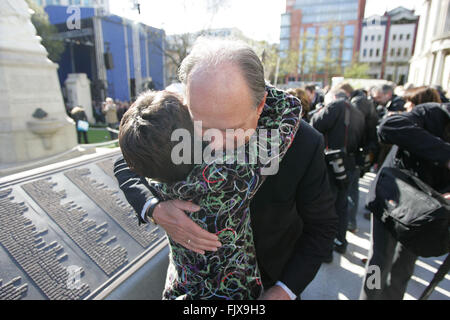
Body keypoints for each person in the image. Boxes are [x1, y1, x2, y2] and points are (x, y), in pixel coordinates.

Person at [114, 38, 338, 300]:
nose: (215, 142)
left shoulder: (303, 143)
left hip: (269, 284)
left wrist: (284, 290)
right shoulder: (181, 117)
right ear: (187, 99)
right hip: (192, 286)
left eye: (231, 128)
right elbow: (127, 160)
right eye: (202, 125)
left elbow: (322, 227)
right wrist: (154, 209)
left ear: (260, 105)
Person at [119, 84, 302, 299]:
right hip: (237, 294)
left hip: (182, 288)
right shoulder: (233, 172)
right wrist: (219, 80)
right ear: (196, 132)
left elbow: (127, 158)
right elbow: (290, 106)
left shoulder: (153, 180)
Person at [360, 102, 450, 300]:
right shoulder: (431, 113)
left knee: (404, 267)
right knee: (378, 262)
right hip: (392, 199)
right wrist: (445, 153)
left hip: (426, 213)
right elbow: (388, 127)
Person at [310, 89, 365, 260]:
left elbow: (314, 125)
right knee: (341, 206)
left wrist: (320, 110)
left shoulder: (336, 106)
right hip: (348, 163)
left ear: (332, 99)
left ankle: (325, 251)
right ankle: (340, 241)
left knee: (327, 208)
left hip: (332, 162)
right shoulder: (358, 112)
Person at [335, 83, 379, 232]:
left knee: (347, 191)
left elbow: (353, 127)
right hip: (362, 149)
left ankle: (348, 223)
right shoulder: (364, 101)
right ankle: (350, 222)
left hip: (355, 150)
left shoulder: (357, 104)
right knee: (353, 188)